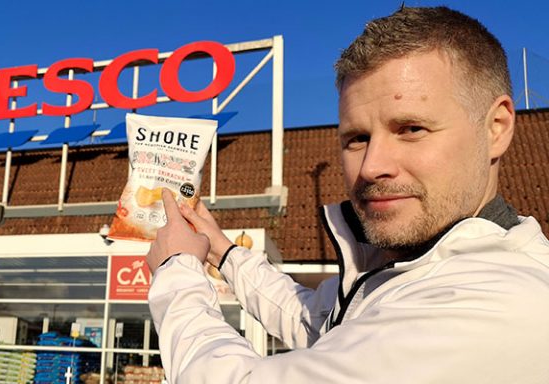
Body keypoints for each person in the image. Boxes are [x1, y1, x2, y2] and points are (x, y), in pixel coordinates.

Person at [146, 6, 549, 383]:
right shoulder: (408, 268)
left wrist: (177, 270)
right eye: (357, 138)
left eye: (411, 128)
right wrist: (222, 251)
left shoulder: (498, 304)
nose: (372, 166)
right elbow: (314, 321)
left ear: (496, 127)